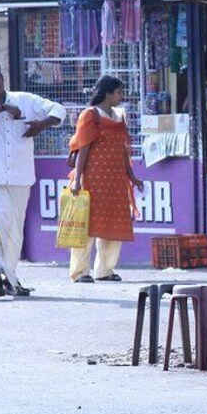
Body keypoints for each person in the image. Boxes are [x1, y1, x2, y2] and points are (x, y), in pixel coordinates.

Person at [0, 60, 65, 297]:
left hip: (21, 176)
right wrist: (3, 109)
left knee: (15, 230)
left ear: (2, 79)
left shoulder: (26, 100)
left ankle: (9, 280)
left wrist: (41, 124)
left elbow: (58, 110)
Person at [68, 76, 143, 283]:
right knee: (87, 225)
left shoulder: (119, 117)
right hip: (93, 178)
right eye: (119, 92)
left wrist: (132, 176)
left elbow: (122, 151)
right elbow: (83, 148)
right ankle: (80, 271)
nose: (121, 96)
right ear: (107, 93)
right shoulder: (90, 115)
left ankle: (105, 270)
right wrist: (77, 181)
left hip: (116, 180)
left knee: (112, 224)